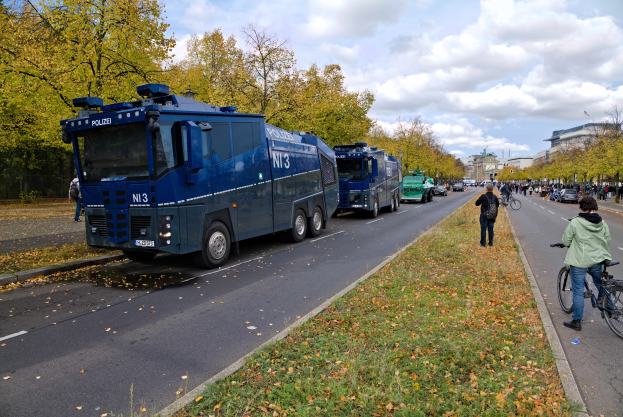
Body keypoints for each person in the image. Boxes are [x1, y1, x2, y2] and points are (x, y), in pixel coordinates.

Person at [561, 196, 611, 331]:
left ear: (581, 207)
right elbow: (607, 239)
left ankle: (576, 321)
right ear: (594, 207)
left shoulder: (576, 222)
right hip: (597, 260)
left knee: (577, 291)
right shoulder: (602, 223)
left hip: (579, 261)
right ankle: (609, 306)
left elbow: (566, 241)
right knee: (600, 283)